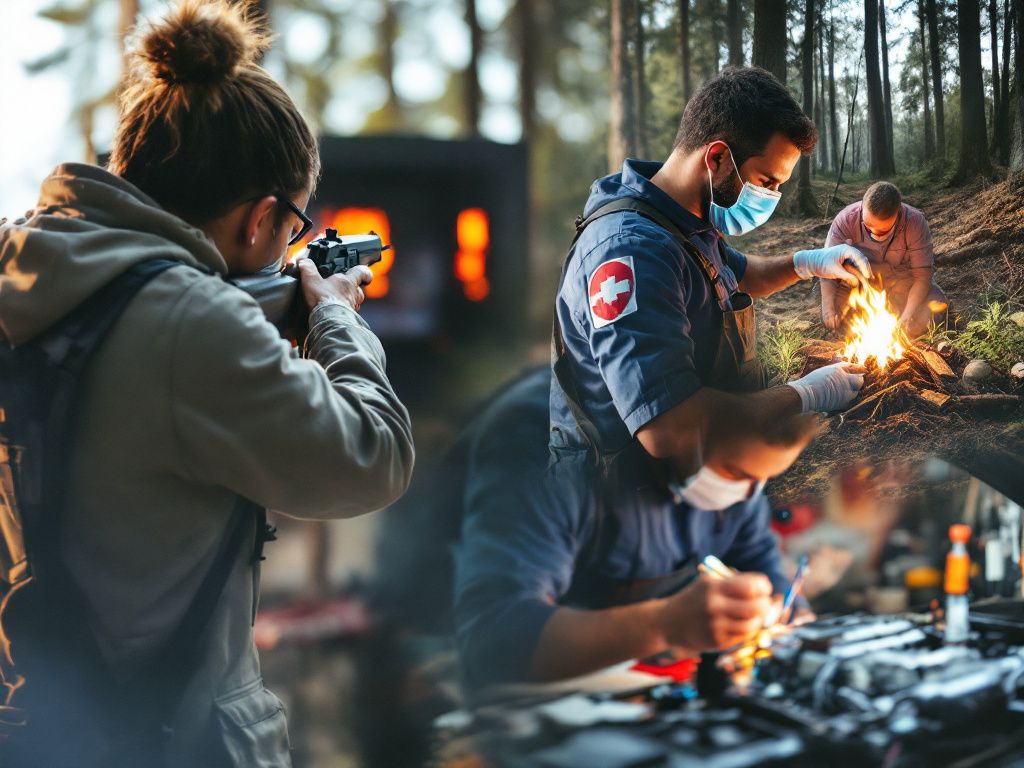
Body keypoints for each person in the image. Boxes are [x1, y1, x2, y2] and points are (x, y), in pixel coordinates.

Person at [0, 1, 413, 765]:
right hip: (171, 739)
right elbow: (374, 455)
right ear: (260, 220)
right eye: (292, 231)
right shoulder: (194, 324)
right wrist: (336, 319)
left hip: (39, 720)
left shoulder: (30, 272)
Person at [454, 67, 865, 688]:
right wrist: (809, 394)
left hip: (681, 495)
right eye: (765, 182)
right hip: (611, 501)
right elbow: (672, 430)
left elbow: (735, 273)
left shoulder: (685, 221)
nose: (770, 198)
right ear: (718, 157)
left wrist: (811, 264)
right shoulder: (632, 250)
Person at [820, 181, 946, 338]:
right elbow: (826, 266)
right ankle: (856, 328)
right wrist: (827, 309)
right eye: (867, 226)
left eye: (881, 231)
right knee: (835, 312)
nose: (873, 233)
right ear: (862, 208)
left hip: (903, 284)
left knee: (934, 307)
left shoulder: (915, 222)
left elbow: (922, 277)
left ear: (897, 213)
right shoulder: (846, 219)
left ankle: (901, 326)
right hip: (860, 283)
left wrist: (907, 315)